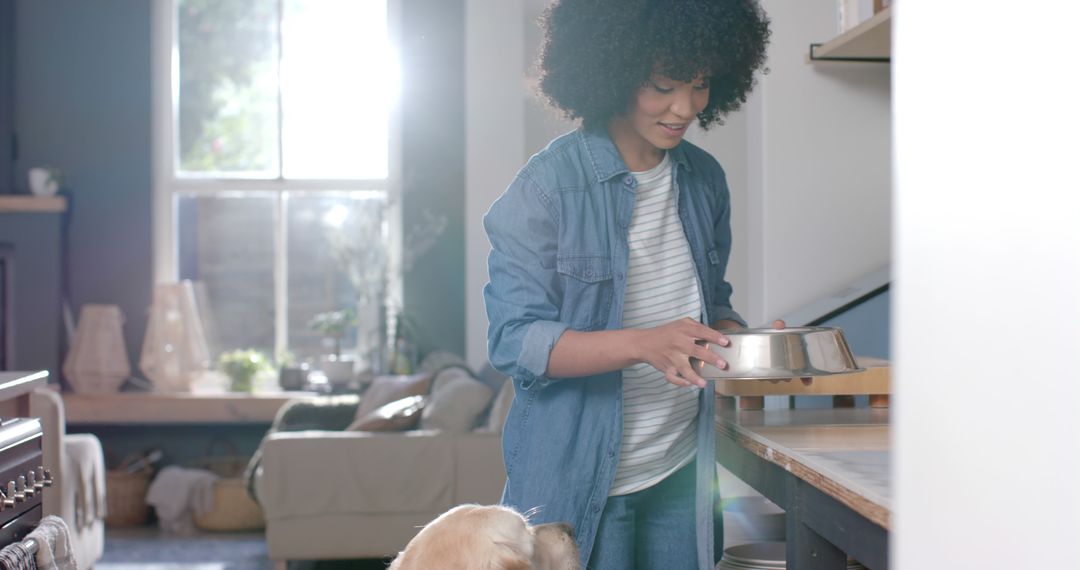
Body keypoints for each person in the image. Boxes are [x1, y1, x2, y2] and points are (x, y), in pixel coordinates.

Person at [482, 0, 771, 568]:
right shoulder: (543, 190)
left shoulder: (704, 179)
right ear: (611, 72)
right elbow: (515, 341)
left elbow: (709, 303)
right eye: (662, 85)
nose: (684, 107)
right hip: (580, 481)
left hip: (682, 467)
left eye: (701, 85)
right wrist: (643, 342)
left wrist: (747, 343)